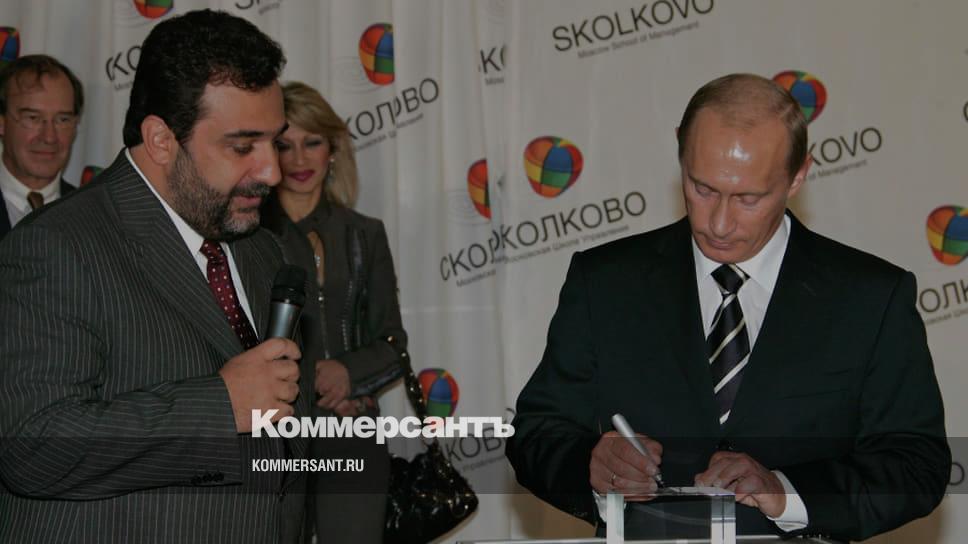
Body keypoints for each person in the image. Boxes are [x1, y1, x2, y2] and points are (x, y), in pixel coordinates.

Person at [505, 73, 949, 542]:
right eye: (702, 189)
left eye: (748, 199)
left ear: (798, 175)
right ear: (680, 151)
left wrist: (784, 491)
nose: (719, 223)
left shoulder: (871, 298)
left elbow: (916, 465)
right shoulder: (605, 282)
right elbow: (537, 432)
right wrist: (591, 467)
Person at [0, 10, 320, 543]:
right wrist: (221, 406)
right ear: (161, 140)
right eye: (243, 146)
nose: (271, 171)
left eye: (275, 142)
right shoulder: (55, 245)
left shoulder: (261, 249)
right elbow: (32, 447)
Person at [260, 81, 405, 544]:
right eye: (284, 145)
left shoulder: (365, 233)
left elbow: (392, 343)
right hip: (271, 432)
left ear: (333, 149)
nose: (299, 159)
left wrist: (348, 376)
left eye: (312, 142)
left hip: (351, 429)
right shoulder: (247, 237)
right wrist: (311, 382)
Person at [0, 54, 83, 239]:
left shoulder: (96, 216)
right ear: (2, 122)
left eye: (63, 120)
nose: (49, 137)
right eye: (33, 118)